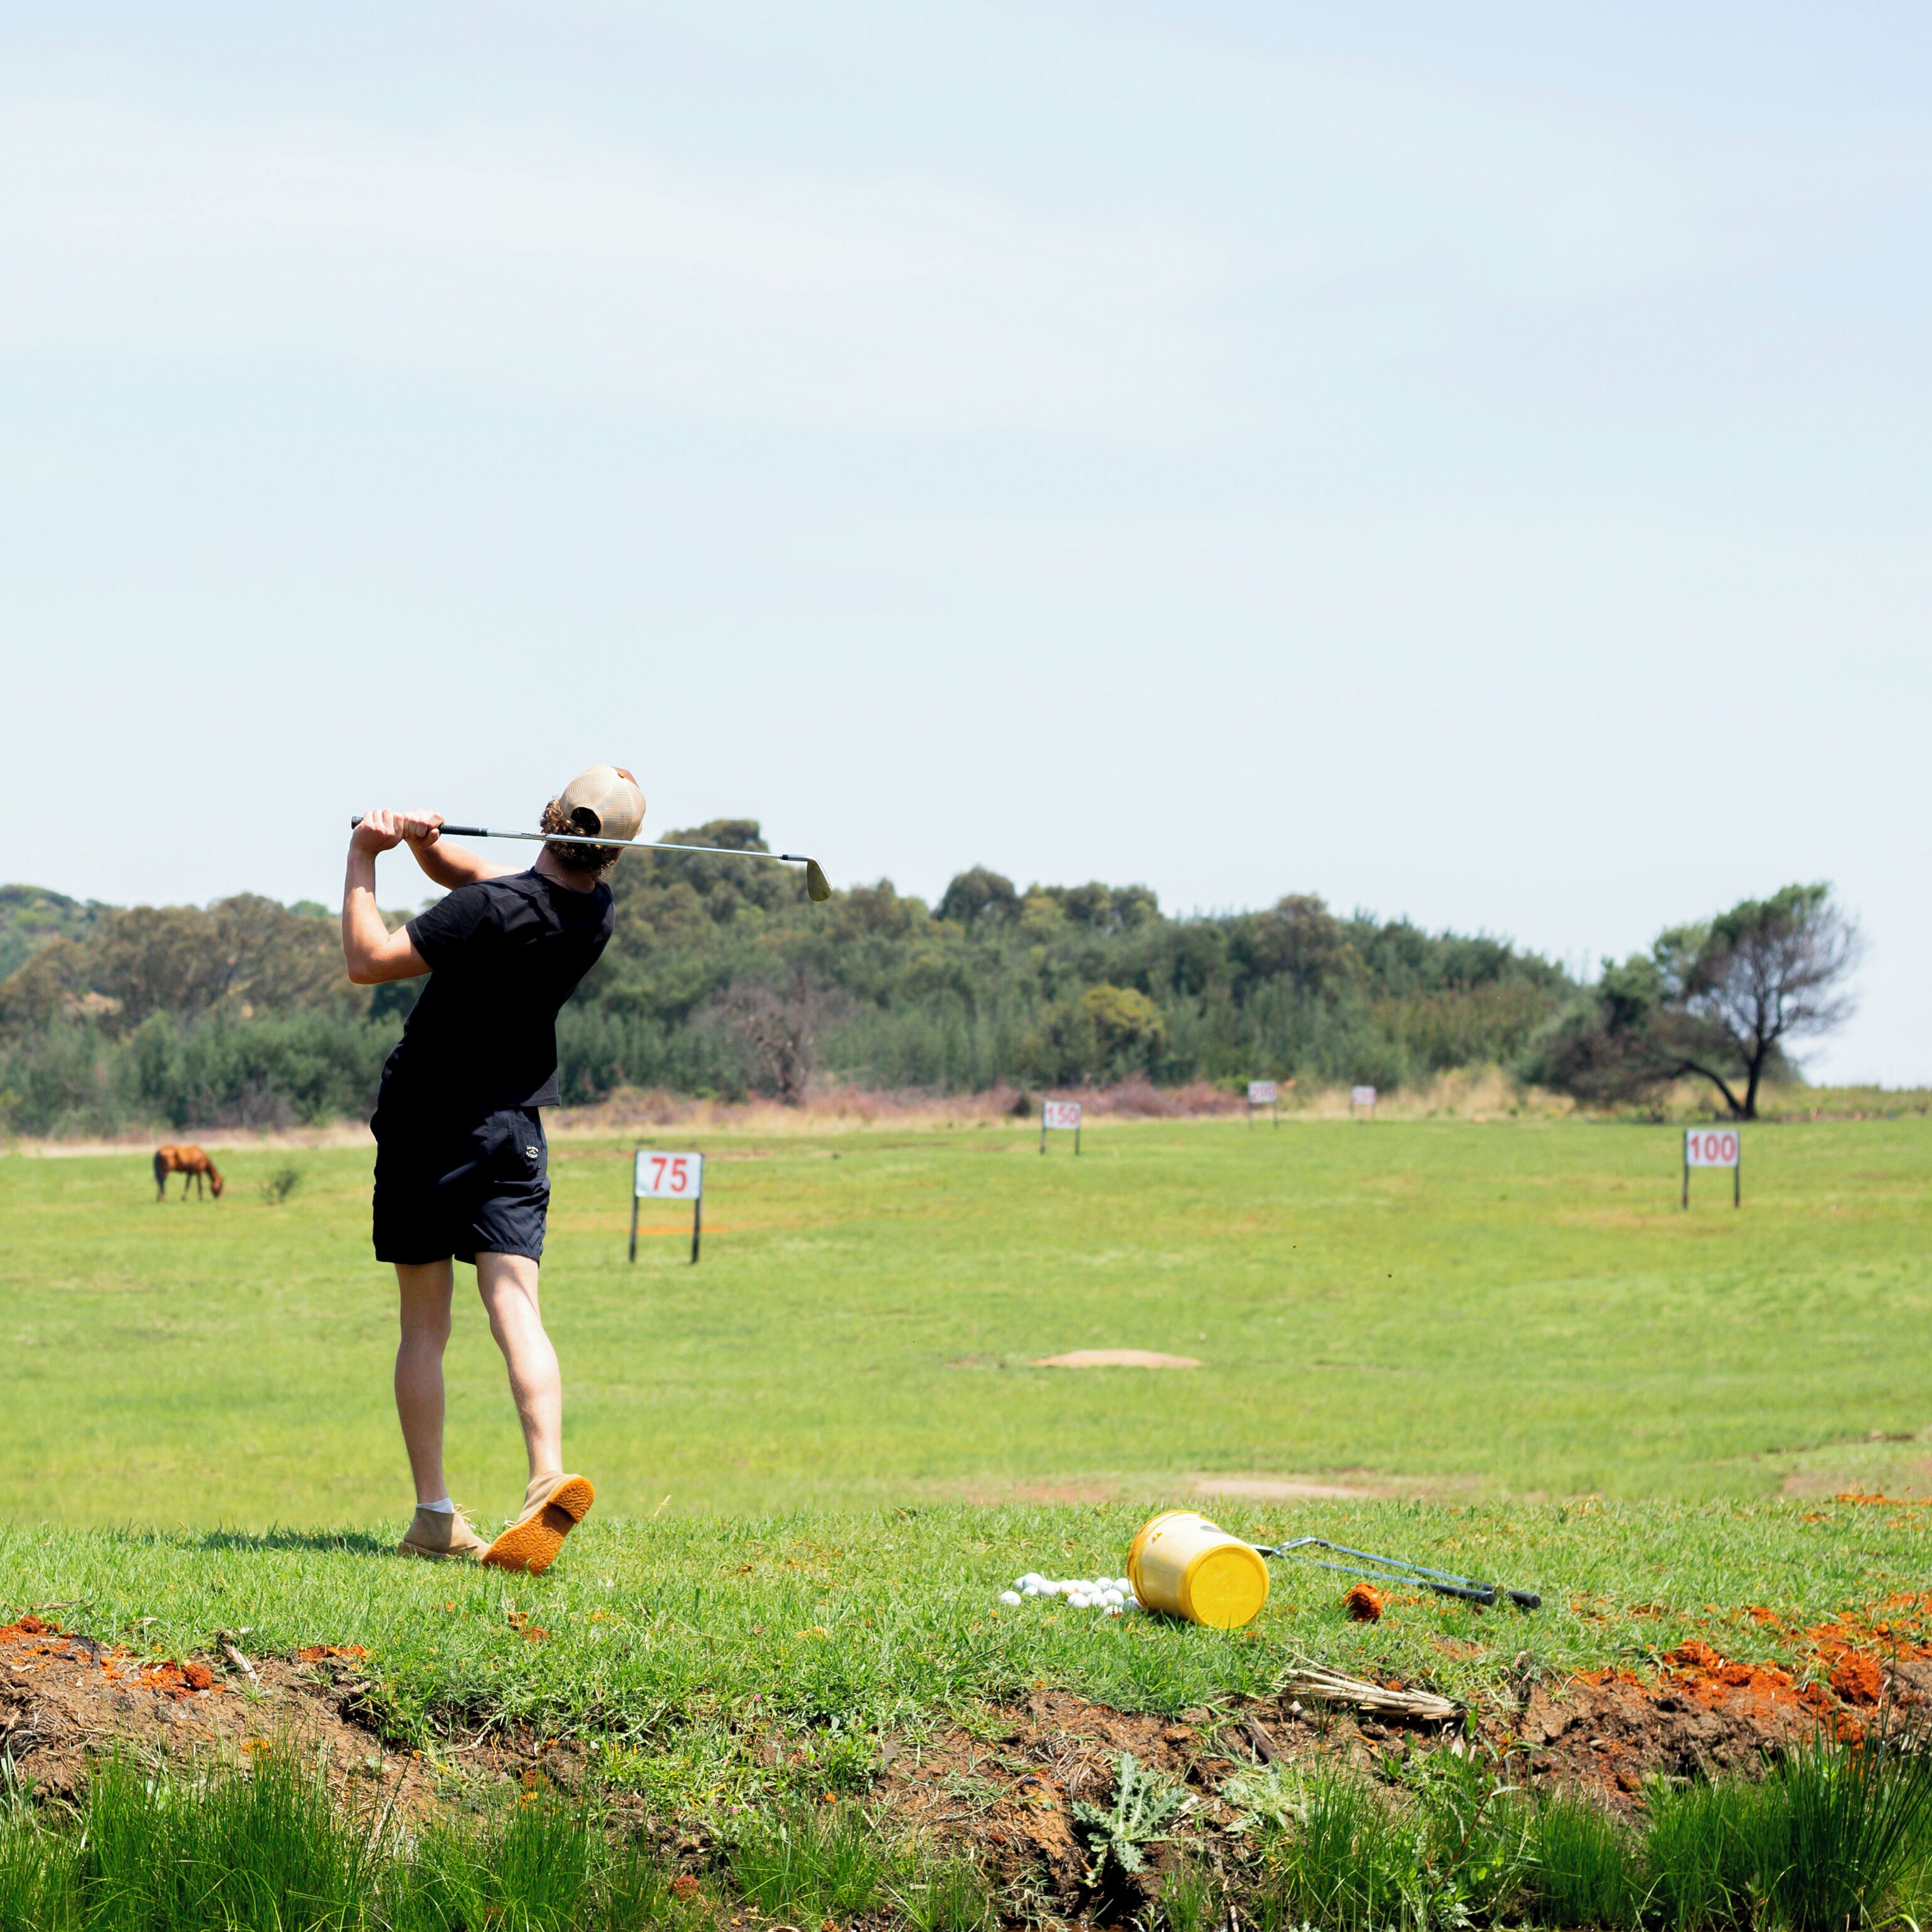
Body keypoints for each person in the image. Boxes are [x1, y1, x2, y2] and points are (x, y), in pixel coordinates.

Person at [340, 765, 644, 1571]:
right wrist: (426, 849)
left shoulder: (483, 910)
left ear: (548, 818)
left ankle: (434, 1513)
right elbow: (477, 882)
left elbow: (368, 959)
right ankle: (547, 1472)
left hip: (427, 1125)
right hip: (515, 1128)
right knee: (516, 1306)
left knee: (424, 1325)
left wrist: (366, 855)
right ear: (610, 851)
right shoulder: (589, 910)